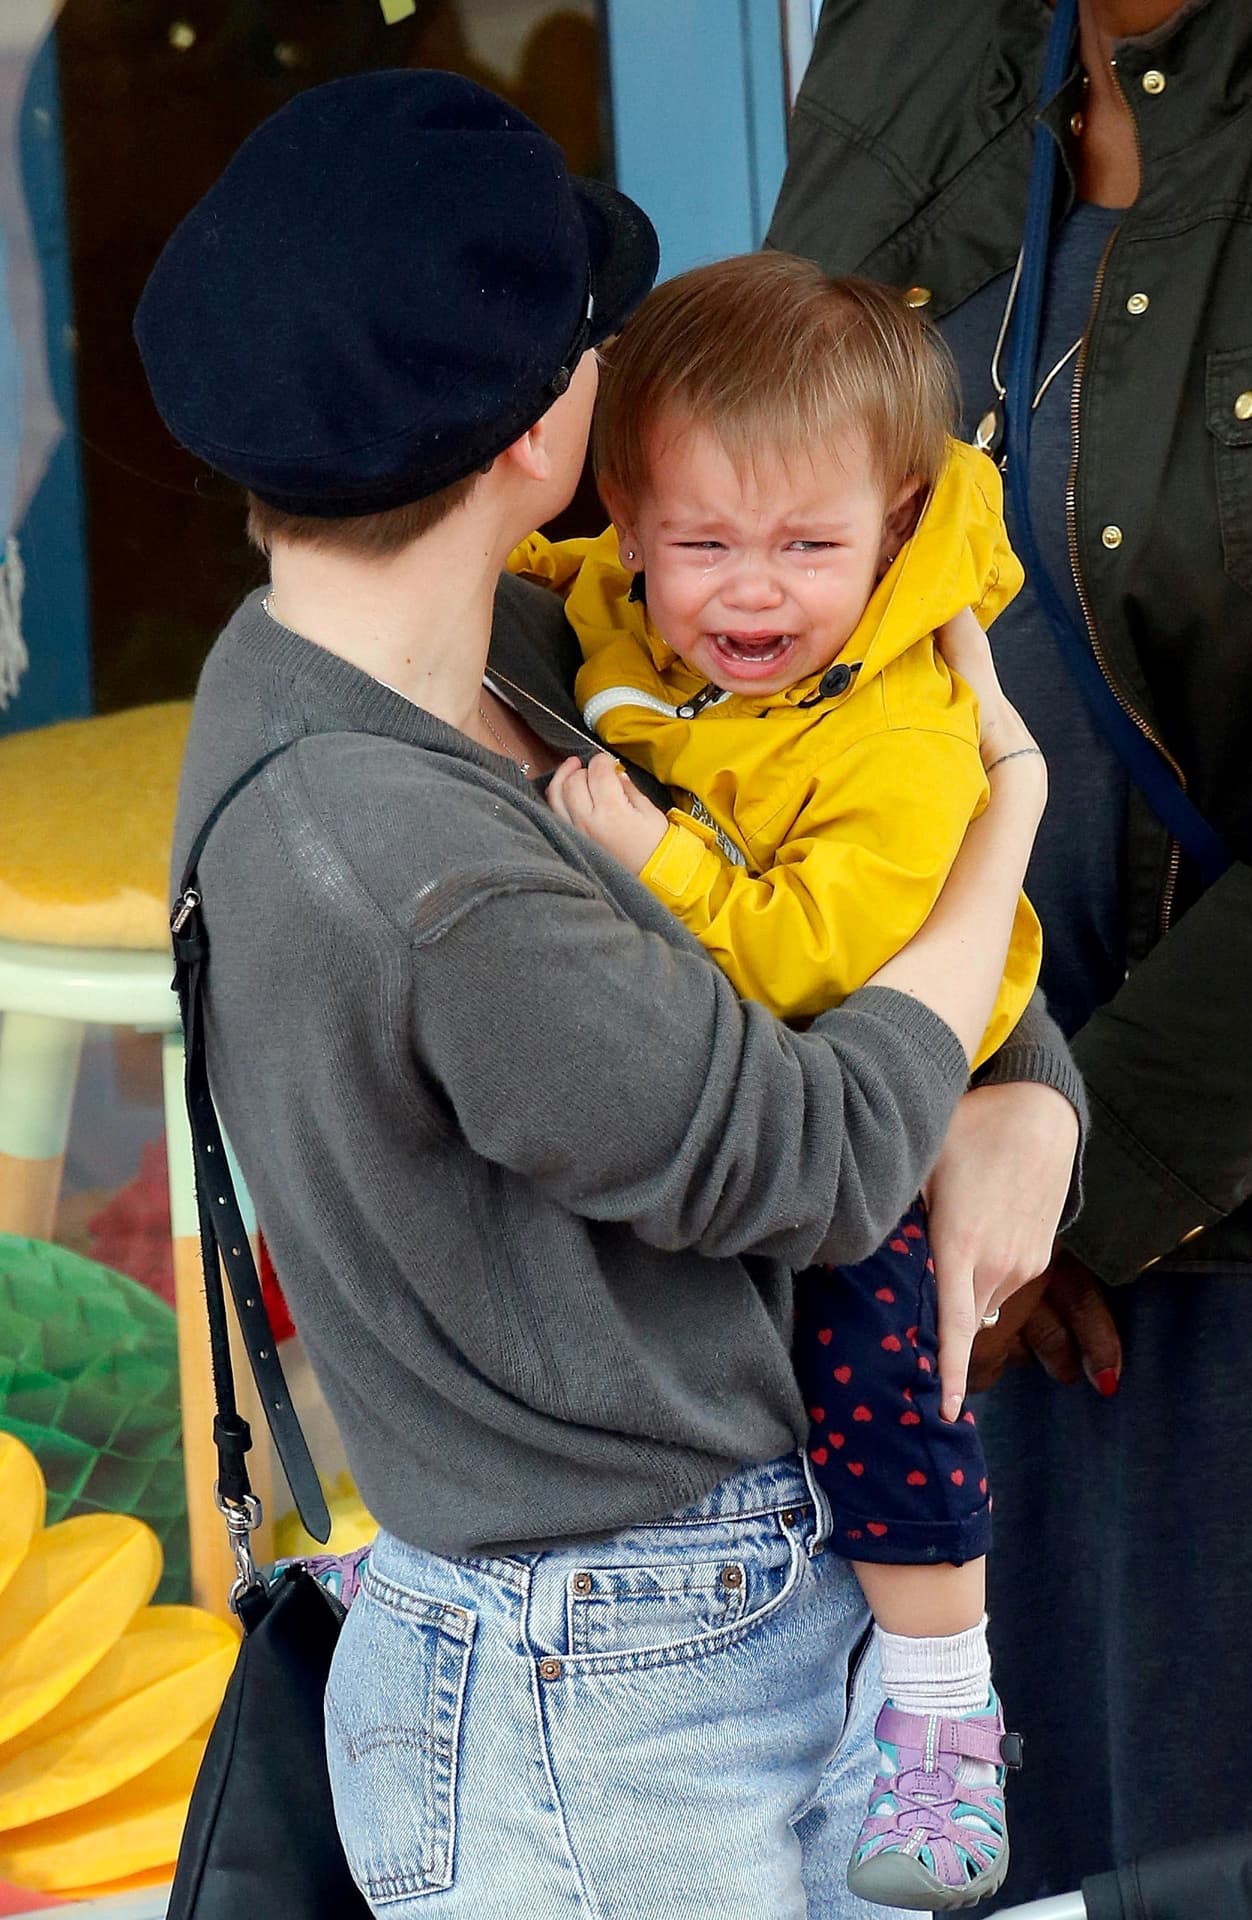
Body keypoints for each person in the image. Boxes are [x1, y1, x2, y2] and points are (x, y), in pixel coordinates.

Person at [134, 68, 1083, 1919]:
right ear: (530, 433)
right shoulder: (410, 866)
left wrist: (1021, 1079)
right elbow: (807, 1153)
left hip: (701, 1630)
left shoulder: (507, 642)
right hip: (611, 1699)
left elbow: (819, 894)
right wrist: (1012, 828)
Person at [769, 0, 1252, 1904]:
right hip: (938, 1261)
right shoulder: (906, 39)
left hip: (1213, 1278)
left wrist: (1082, 1159)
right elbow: (774, 541)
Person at [507, 251, 1045, 1911]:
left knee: (890, 1358)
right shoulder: (615, 601)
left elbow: (826, 957)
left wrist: (656, 862)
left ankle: (946, 1705)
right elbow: (539, 562)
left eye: (809, 549)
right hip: (734, 1099)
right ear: (628, 515)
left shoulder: (902, 722)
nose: (753, 595)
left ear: (892, 525)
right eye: (704, 546)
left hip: (883, 1079)